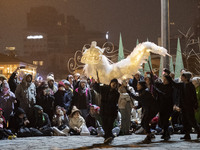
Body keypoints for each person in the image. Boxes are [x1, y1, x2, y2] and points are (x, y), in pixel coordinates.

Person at [172, 72, 200, 140]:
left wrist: (195, 106)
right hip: (183, 106)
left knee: (192, 120)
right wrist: (170, 78)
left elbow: (194, 97)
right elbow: (175, 84)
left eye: (182, 76)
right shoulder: (182, 84)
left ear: (186, 77)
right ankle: (187, 134)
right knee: (185, 120)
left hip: (189, 106)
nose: (181, 78)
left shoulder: (191, 86)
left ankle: (199, 131)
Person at [94, 77, 120, 144]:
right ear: (110, 83)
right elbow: (97, 89)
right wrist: (97, 82)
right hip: (104, 110)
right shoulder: (104, 89)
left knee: (110, 125)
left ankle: (108, 137)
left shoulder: (117, 93)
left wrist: (115, 113)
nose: (114, 84)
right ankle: (108, 136)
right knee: (104, 124)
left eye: (115, 83)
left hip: (111, 111)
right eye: (113, 83)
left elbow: (115, 103)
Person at [154, 75, 174, 140]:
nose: (164, 81)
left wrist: (158, 91)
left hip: (168, 106)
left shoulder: (170, 87)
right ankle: (165, 132)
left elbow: (166, 95)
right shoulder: (162, 85)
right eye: (163, 79)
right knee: (161, 120)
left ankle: (166, 133)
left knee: (165, 120)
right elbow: (155, 84)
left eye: (165, 80)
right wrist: (152, 76)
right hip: (161, 105)